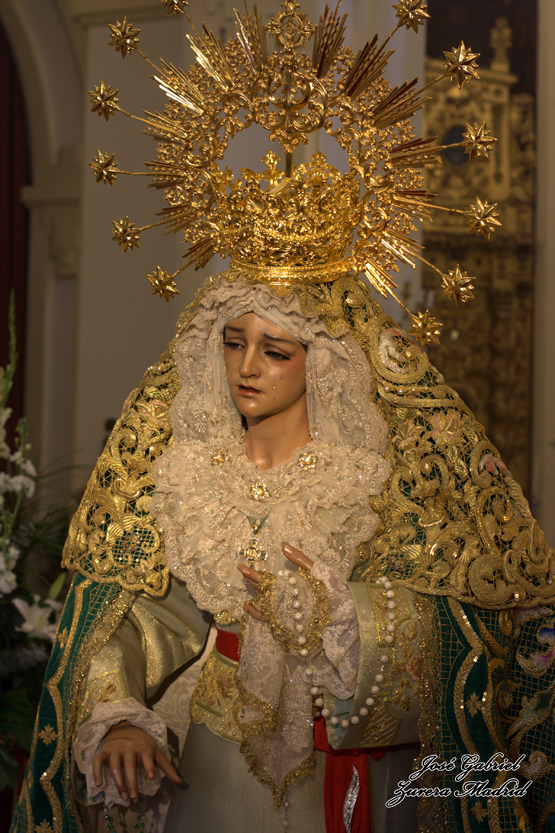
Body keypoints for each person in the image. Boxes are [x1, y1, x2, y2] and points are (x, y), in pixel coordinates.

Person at [10, 2, 555, 832]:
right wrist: (119, 715)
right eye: (232, 343)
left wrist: (344, 622)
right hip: (211, 762)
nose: (246, 367)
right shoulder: (190, 475)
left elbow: (468, 627)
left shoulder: (375, 478)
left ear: (322, 362)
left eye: (275, 350)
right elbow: (138, 613)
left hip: (353, 769)